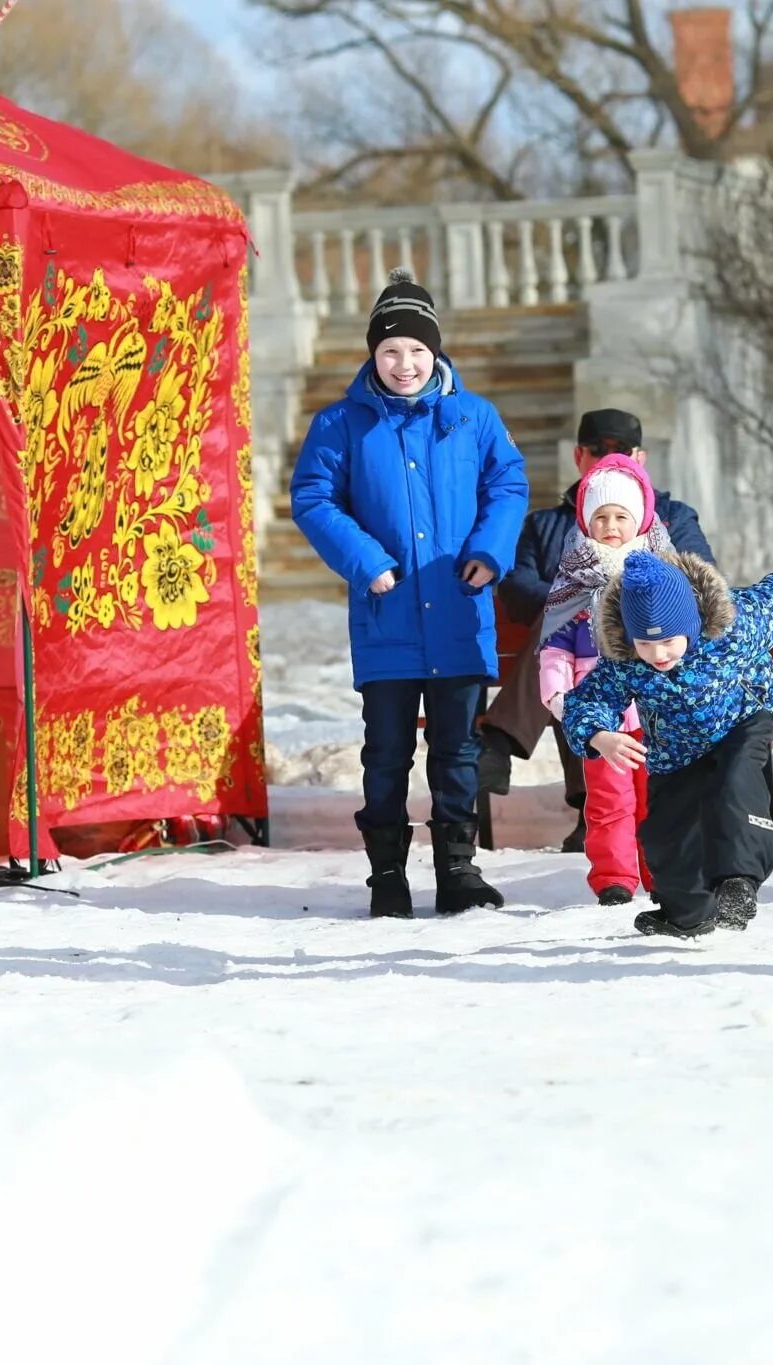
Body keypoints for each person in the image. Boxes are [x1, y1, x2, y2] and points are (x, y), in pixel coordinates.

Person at [290, 267, 530, 918]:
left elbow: (507, 485)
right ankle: (387, 878)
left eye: (418, 351)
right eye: (392, 350)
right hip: (386, 611)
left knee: (456, 749)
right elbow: (313, 497)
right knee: (388, 750)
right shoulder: (341, 423)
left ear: (436, 352)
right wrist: (364, 558)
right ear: (373, 352)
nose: (405, 364)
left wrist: (489, 550)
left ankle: (459, 870)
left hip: (457, 607)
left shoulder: (473, 417)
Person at [482, 409, 713, 851]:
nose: (608, 457)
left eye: (621, 450)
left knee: (571, 636)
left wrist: (614, 602)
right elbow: (516, 586)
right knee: (566, 645)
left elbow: (697, 576)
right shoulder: (546, 524)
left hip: (655, 649)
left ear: (640, 457)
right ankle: (594, 808)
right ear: (578, 456)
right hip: (573, 655)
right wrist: (576, 604)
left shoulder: (672, 516)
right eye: (597, 450)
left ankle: (501, 740)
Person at [561, 550, 773, 938]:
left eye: (668, 642)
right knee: (664, 833)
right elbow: (590, 698)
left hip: (743, 718)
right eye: (645, 643)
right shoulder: (626, 659)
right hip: (674, 745)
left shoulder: (736, 627)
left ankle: (738, 883)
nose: (658, 655)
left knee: (732, 785)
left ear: (692, 624)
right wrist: (599, 734)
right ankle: (689, 912)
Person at [538, 454, 676, 905]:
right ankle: (615, 877)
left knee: (657, 796)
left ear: (639, 520)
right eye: (600, 516)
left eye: (621, 516)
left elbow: (687, 636)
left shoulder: (663, 575)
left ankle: (663, 873)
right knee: (609, 798)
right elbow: (556, 644)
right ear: (585, 520)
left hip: (657, 708)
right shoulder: (574, 580)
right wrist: (561, 696)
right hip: (601, 713)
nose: (611, 524)